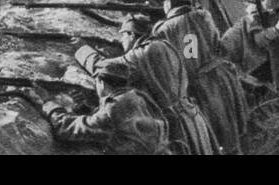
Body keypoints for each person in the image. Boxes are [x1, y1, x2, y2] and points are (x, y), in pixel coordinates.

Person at [76, 16, 219, 155]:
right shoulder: (165, 44)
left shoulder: (141, 52)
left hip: (175, 124)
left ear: (131, 34)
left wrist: (82, 49)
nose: (122, 41)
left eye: (123, 36)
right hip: (192, 116)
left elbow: (102, 66)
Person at [152, 0, 247, 155]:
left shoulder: (163, 29)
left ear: (170, 2)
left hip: (201, 85)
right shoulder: (204, 15)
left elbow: (186, 58)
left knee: (213, 136)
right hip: (222, 77)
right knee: (230, 132)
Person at [22, 57, 171, 155]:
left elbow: (67, 128)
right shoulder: (137, 97)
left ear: (101, 83)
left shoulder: (114, 108)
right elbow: (115, 128)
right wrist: (84, 109)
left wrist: (49, 102)